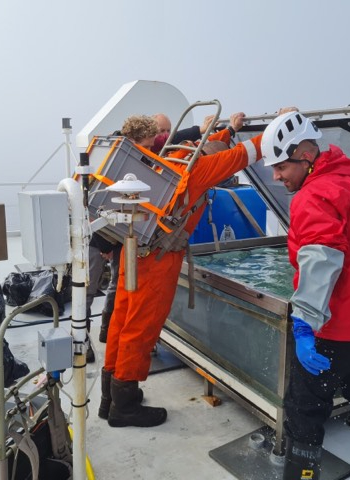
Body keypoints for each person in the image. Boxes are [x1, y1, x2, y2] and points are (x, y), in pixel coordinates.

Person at [260, 110, 350, 480]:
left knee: (305, 409)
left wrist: (306, 327)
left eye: (281, 167)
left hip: (338, 328)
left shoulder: (313, 196)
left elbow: (320, 260)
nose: (276, 177)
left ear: (306, 157)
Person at [102, 112, 264, 428]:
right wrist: (284, 126)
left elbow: (211, 146)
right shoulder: (197, 169)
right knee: (140, 328)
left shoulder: (170, 160)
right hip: (157, 260)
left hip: (133, 249)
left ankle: (111, 399)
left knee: (122, 321)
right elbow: (244, 154)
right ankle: (125, 406)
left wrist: (228, 130)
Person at [87, 115, 159, 366]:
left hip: (120, 235)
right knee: (87, 288)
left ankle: (108, 331)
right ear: (133, 140)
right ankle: (82, 340)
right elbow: (97, 202)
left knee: (118, 286)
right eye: (148, 145)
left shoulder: (131, 153)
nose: (150, 151)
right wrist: (106, 246)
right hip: (99, 237)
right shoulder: (114, 156)